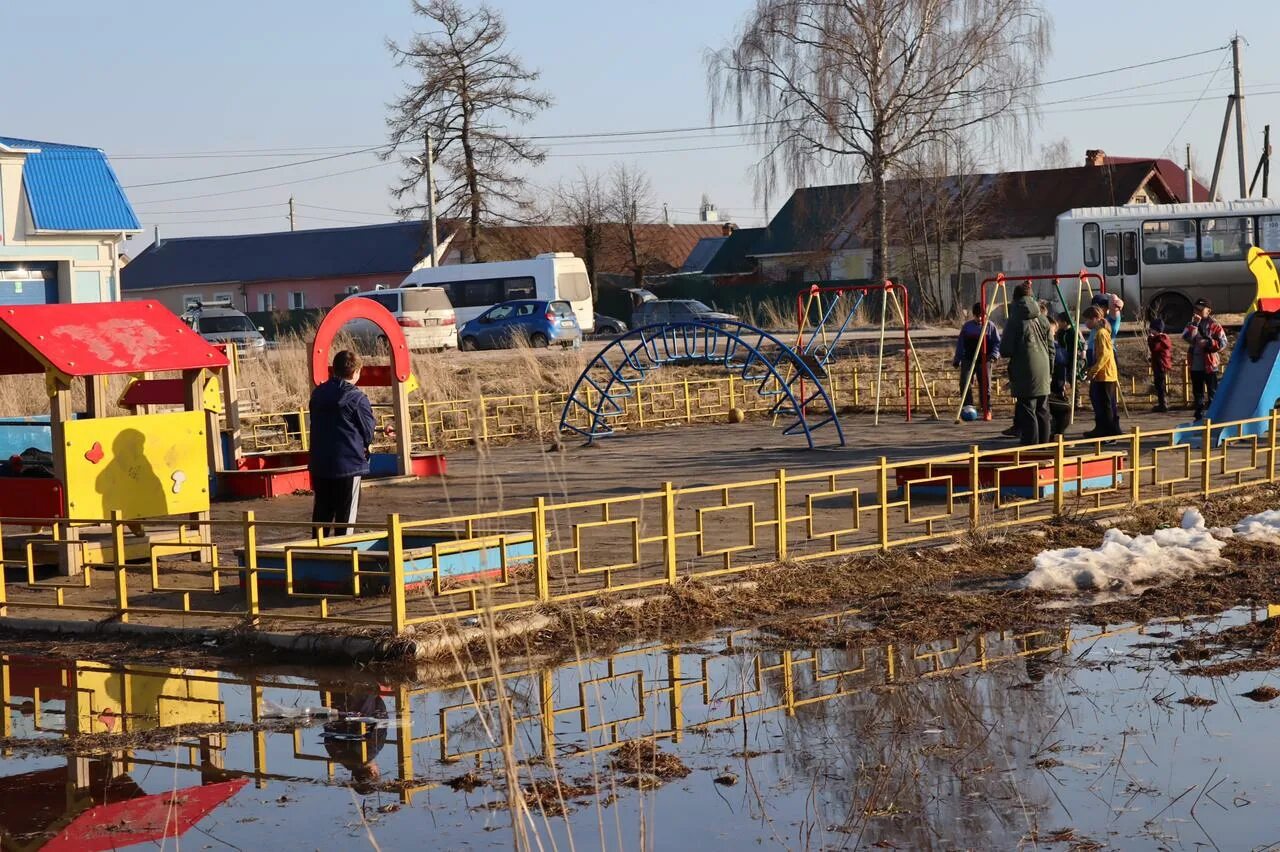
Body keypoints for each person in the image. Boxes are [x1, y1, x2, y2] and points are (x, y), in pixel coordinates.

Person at [308, 350, 382, 537]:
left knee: (322, 513)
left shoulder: (318, 394)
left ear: (334, 369)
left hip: (320, 463)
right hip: (349, 464)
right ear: (356, 372)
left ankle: (316, 555)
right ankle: (344, 557)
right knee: (346, 517)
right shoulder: (357, 398)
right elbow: (368, 432)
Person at [1000, 283, 1053, 445]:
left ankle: (1030, 446)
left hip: (1024, 368)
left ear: (1015, 299)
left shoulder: (1014, 320)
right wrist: (1050, 368)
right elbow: (1051, 347)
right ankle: (1044, 445)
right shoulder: (1043, 319)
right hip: (1044, 367)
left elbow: (1006, 349)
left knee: (1027, 409)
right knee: (1042, 409)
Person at [1183, 298, 1228, 420]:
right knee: (1198, 390)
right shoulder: (1191, 324)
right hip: (1195, 362)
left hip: (1210, 363)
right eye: (1195, 309)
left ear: (1208, 311)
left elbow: (1223, 343)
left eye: (1200, 309)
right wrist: (1195, 325)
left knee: (1212, 390)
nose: (1197, 311)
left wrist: (1208, 342)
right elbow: (1186, 337)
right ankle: (1199, 412)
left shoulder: (1215, 325)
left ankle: (1215, 414)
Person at [953, 302, 1000, 410]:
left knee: (985, 383)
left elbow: (997, 342)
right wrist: (957, 359)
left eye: (981, 316)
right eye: (977, 316)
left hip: (985, 358)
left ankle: (986, 407)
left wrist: (994, 354)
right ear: (973, 315)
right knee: (965, 382)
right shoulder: (967, 327)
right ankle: (968, 406)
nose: (979, 318)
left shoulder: (990, 326)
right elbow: (961, 343)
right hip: (969, 358)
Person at [1083, 306, 1121, 438]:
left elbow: (1104, 356)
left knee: (1106, 405)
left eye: (1087, 320)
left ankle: (1109, 432)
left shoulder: (1101, 333)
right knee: (1103, 403)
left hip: (1105, 375)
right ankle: (1104, 429)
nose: (1086, 324)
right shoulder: (1101, 332)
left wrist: (1093, 371)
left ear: (1094, 318)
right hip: (1103, 374)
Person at [1147, 318, 1173, 413]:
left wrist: (1150, 338)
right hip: (1160, 363)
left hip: (1160, 364)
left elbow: (1154, 348)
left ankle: (1163, 404)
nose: (1150, 331)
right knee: (1159, 385)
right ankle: (1162, 402)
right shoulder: (1161, 338)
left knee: (1160, 385)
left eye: (1152, 329)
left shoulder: (1161, 339)